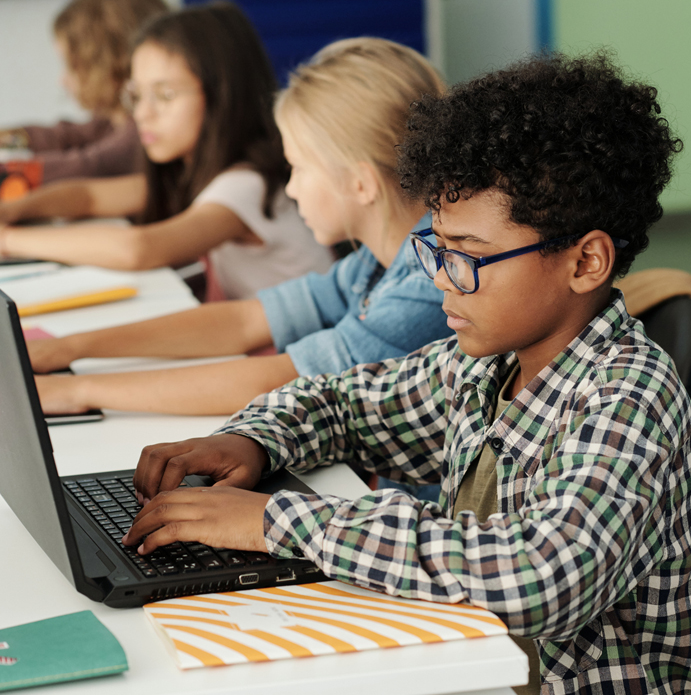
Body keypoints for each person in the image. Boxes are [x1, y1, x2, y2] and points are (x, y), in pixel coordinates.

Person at [121, 52, 691, 695]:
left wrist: (274, 520)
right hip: (483, 684)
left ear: (585, 261)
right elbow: (342, 402)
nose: (443, 278)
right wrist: (251, 442)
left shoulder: (628, 394)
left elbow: (540, 577)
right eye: (438, 248)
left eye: (469, 257)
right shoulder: (482, 363)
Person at [24, 39, 451, 436]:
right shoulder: (373, 263)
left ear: (361, 184)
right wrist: (69, 349)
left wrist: (76, 391)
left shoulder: (430, 282)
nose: (291, 188)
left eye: (299, 168)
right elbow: (246, 320)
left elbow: (282, 378)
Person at [0, 2, 333, 300]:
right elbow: (88, 196)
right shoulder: (195, 172)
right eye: (138, 96)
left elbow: (139, 250)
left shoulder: (245, 185)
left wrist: (8, 240)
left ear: (223, 95)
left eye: (165, 95)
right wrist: (15, 210)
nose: (143, 114)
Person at [0, 0, 168, 183]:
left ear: (107, 64)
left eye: (71, 66)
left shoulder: (142, 131)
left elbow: (86, 164)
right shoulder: (112, 122)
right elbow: (63, 136)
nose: (62, 81)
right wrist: (3, 138)